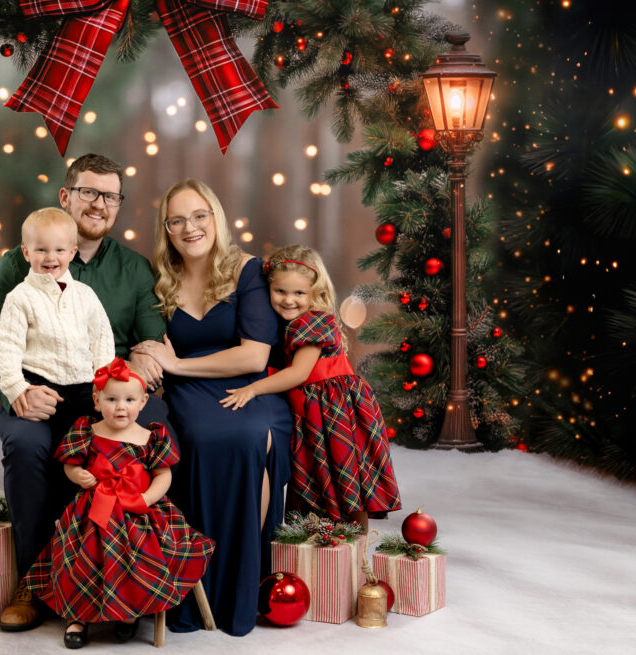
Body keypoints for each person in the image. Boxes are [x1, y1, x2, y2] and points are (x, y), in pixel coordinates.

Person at [0, 153, 171, 632]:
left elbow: (150, 346)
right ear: (66, 196)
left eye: (110, 196)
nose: (99, 204)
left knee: (154, 428)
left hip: (106, 390)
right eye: (88, 192)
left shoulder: (134, 269)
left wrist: (124, 381)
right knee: (27, 444)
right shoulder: (17, 266)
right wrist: (18, 393)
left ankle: (134, 578)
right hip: (36, 389)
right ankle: (33, 582)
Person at [131, 179, 292, 637]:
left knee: (250, 437)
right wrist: (146, 358)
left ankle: (241, 585)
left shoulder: (247, 270)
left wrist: (178, 364)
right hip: (189, 393)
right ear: (166, 229)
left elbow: (255, 356)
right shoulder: (160, 278)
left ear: (216, 217)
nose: (190, 227)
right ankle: (195, 583)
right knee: (198, 439)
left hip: (250, 387)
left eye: (199, 215)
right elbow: (146, 342)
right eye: (177, 220)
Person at [24, 357, 213, 649]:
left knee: (139, 553)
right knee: (82, 557)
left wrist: (146, 498)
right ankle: (77, 617)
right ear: (97, 401)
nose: (120, 407)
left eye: (129, 400)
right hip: (94, 509)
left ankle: (128, 612)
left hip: (136, 509)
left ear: (143, 402)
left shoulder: (151, 436)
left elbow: (163, 475)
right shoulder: (87, 430)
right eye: (112, 399)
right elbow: (70, 464)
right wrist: (78, 475)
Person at [220, 245, 402, 527]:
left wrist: (252, 389)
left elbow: (298, 373)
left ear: (315, 293)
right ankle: (326, 548)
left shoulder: (313, 322)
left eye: (299, 293)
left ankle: (356, 550)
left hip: (335, 412)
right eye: (280, 291)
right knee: (321, 481)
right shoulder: (286, 324)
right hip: (314, 412)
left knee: (346, 481)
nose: (288, 300)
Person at [0, 206, 114, 432]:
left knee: (95, 433)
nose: (51, 257)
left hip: (85, 385)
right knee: (56, 437)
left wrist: (104, 381)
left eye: (60, 250)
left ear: (72, 252)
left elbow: (102, 339)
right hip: (44, 385)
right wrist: (15, 387)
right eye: (41, 250)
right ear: (26, 252)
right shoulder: (20, 297)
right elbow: (8, 346)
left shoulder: (85, 294)